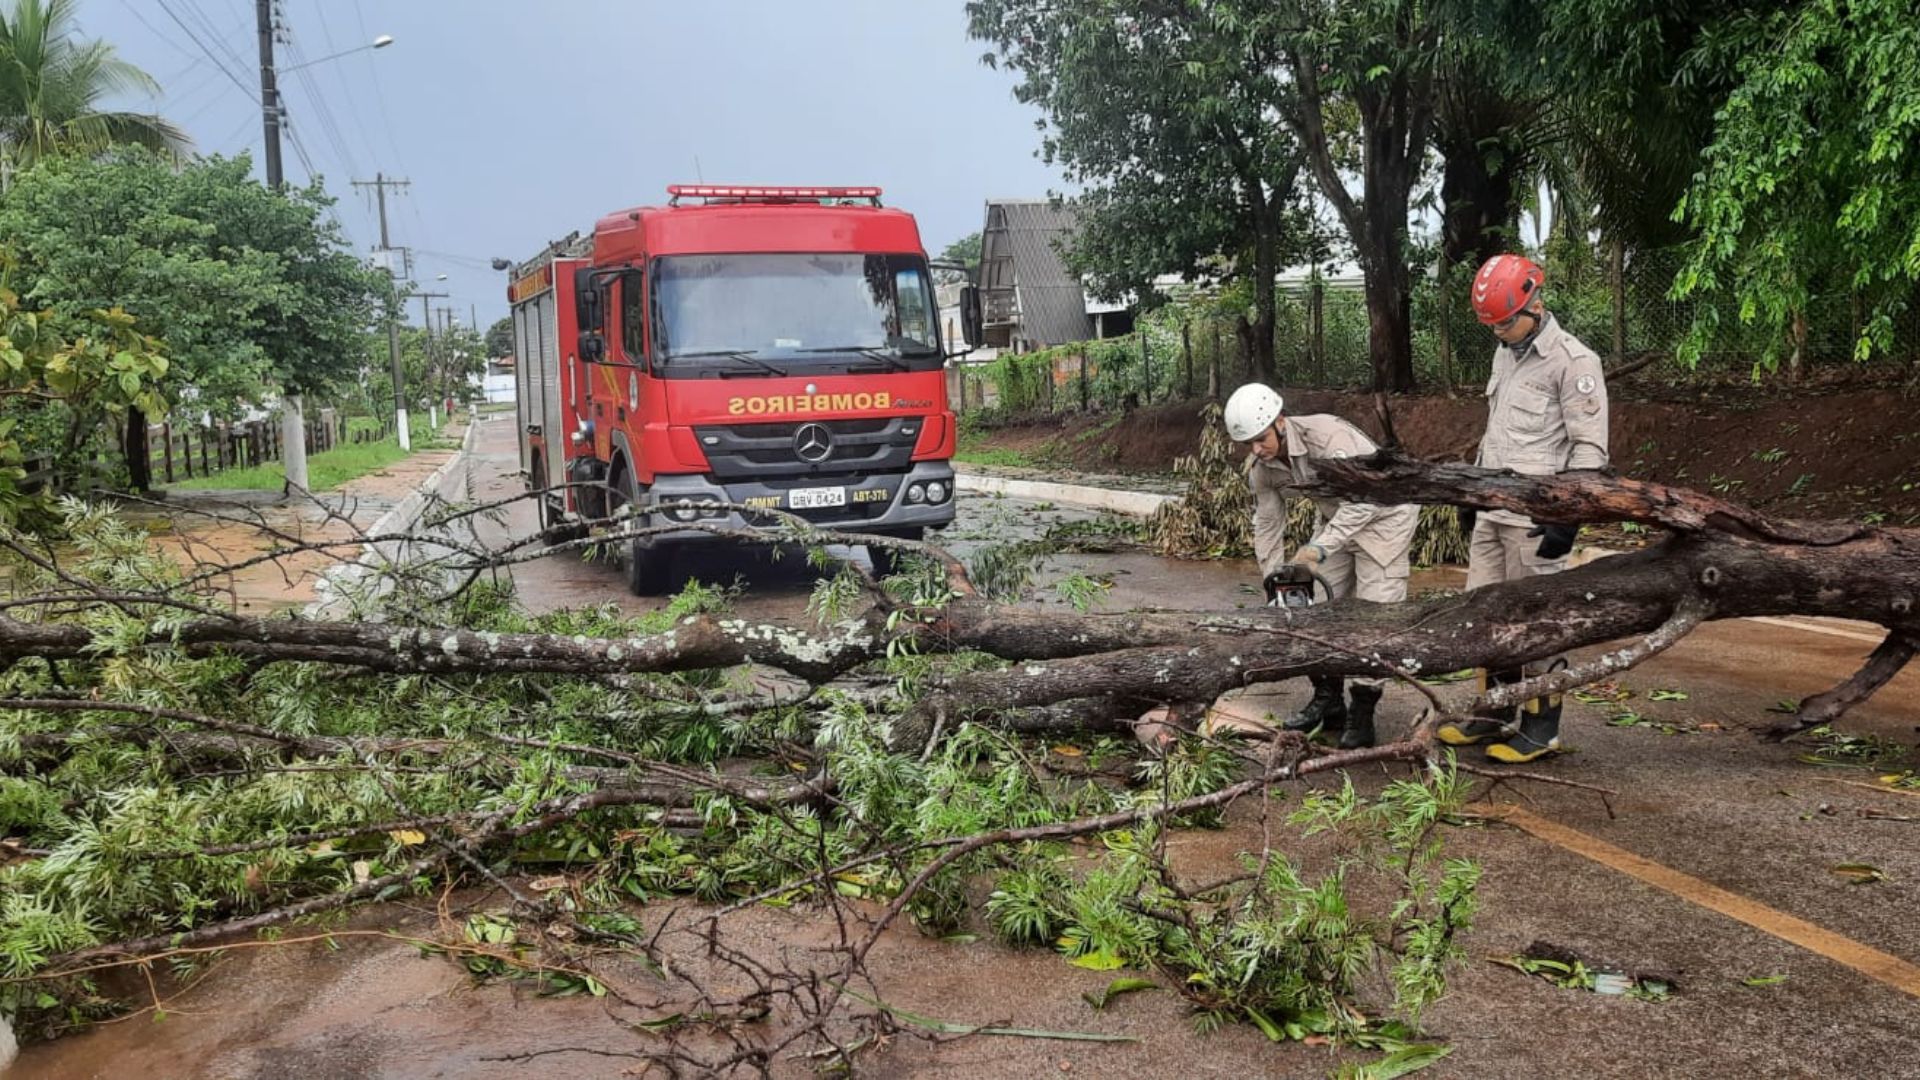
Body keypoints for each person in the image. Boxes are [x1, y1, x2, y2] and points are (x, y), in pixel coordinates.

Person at [1436, 253, 1610, 763]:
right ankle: (1491, 714)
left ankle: (1540, 727)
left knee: (1538, 623)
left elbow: (1589, 449)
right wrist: (1473, 491)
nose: (1498, 332)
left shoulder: (1574, 362)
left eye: (1505, 322)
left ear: (1535, 304)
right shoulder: (1505, 354)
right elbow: (1496, 431)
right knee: (1485, 617)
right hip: (1492, 513)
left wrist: (1567, 515)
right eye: (1491, 325)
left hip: (1535, 523)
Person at [1223, 384, 1419, 749]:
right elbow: (1267, 524)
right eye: (1248, 443)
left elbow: (1366, 499)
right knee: (1311, 607)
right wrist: (1273, 581)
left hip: (1385, 516)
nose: (1256, 449)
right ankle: (1329, 700)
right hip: (1334, 520)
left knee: (1374, 618)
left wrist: (1317, 550)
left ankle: (1362, 713)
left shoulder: (1328, 439)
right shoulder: (1262, 468)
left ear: (1280, 422)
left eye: (1261, 439)